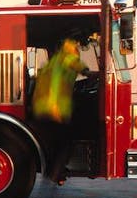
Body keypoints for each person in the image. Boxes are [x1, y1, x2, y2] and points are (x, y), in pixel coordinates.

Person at [31, 37, 96, 185]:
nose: (78, 50)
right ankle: (55, 172)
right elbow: (78, 66)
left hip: (41, 108)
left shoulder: (54, 60)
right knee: (66, 141)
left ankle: (54, 171)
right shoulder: (68, 57)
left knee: (51, 142)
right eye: (78, 47)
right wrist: (91, 73)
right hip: (55, 108)